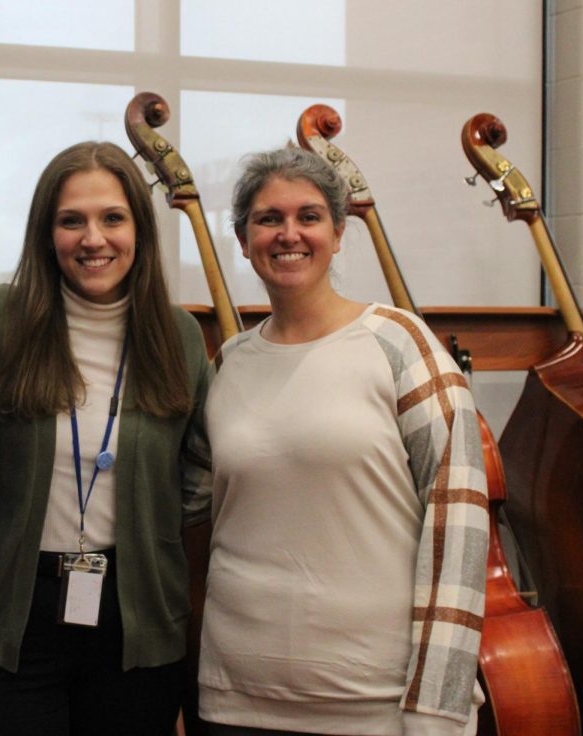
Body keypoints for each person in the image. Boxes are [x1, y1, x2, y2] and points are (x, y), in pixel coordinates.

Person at [198, 147, 488, 736]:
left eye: (308, 216)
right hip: (234, 697)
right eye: (268, 219)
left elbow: (458, 522)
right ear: (242, 236)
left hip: (374, 702)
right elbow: (202, 515)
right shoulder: (230, 361)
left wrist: (437, 701)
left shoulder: (401, 342)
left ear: (338, 231)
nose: (289, 234)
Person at [0, 141, 212, 736]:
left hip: (137, 613)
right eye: (72, 221)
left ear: (139, 230)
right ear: (47, 234)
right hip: (11, 615)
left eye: (112, 218)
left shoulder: (178, 336)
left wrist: (153, 525)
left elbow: (205, 466)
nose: (93, 239)